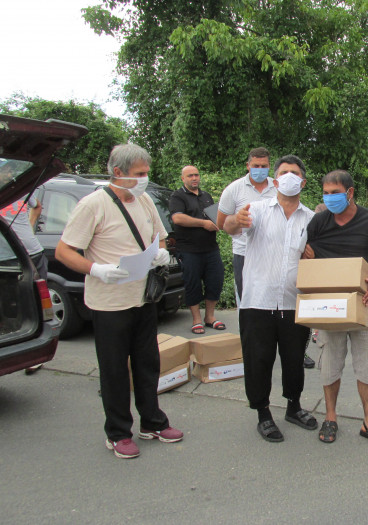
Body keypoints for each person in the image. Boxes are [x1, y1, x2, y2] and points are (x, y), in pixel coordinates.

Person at [55, 144, 183, 459]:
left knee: (148, 363)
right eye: (139, 174)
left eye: (146, 172)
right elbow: (64, 251)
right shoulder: (92, 205)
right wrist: (96, 269)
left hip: (143, 298)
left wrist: (161, 251)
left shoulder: (144, 200)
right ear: (118, 172)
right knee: (114, 370)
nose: (145, 178)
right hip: (108, 302)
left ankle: (152, 421)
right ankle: (117, 433)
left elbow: (159, 236)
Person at [223, 155, 317, 442]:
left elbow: (317, 258)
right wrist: (233, 220)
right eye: (284, 172)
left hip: (293, 301)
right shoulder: (257, 209)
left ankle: (293, 406)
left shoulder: (311, 218)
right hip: (257, 300)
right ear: (275, 180)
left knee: (294, 359)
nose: (289, 177)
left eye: (295, 173)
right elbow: (230, 226)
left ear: (302, 181)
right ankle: (263, 413)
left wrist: (313, 255)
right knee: (258, 359)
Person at [305, 170, 368, 447]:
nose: (330, 197)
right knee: (330, 365)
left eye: (336, 192)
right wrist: (304, 253)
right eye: (326, 193)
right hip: (327, 304)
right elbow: (302, 251)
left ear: (350, 192)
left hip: (363, 301)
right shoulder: (319, 221)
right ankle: (330, 417)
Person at [169, 165, 225, 334]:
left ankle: (210, 317)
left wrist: (219, 224)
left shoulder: (206, 196)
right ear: (183, 178)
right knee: (192, 284)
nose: (194, 178)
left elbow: (215, 216)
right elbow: (177, 218)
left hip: (211, 249)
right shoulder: (177, 196)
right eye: (190, 175)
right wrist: (203, 223)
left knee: (215, 281)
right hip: (189, 250)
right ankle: (196, 320)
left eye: (196, 175)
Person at [216, 147, 276, 304]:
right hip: (244, 253)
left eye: (264, 166)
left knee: (272, 299)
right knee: (246, 299)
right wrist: (238, 219)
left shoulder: (278, 188)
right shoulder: (233, 189)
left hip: (273, 253)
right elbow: (221, 223)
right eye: (256, 166)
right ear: (248, 165)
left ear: (270, 166)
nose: (260, 170)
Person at [1, 194, 49, 374]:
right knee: (13, 308)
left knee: (38, 305)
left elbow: (36, 206)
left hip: (32, 253)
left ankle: (36, 355)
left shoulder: (19, 188)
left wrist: (29, 227)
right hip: (7, 258)